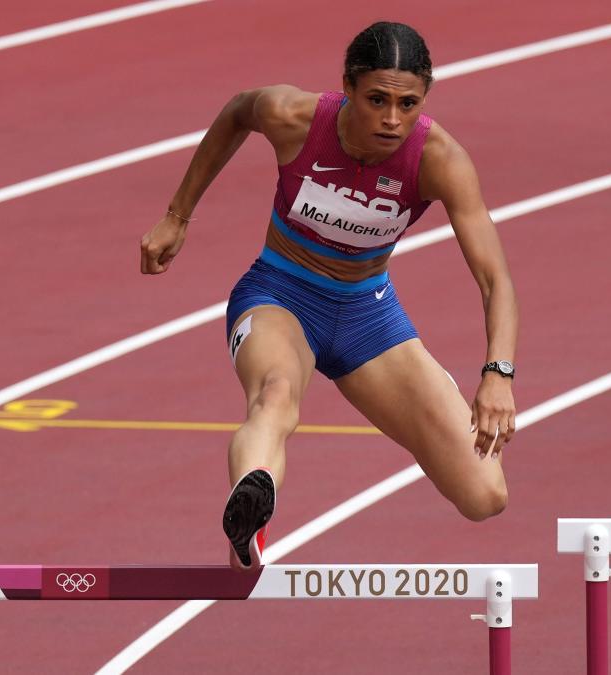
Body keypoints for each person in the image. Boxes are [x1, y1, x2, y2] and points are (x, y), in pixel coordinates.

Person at [139, 22, 517, 569]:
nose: (392, 119)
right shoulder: (295, 118)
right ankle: (251, 516)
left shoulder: (439, 160)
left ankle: (253, 508)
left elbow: (495, 280)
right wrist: (177, 215)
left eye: (408, 103)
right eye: (377, 100)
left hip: (368, 315)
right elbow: (238, 111)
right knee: (275, 395)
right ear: (348, 87)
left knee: (485, 494)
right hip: (280, 296)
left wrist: (498, 373)